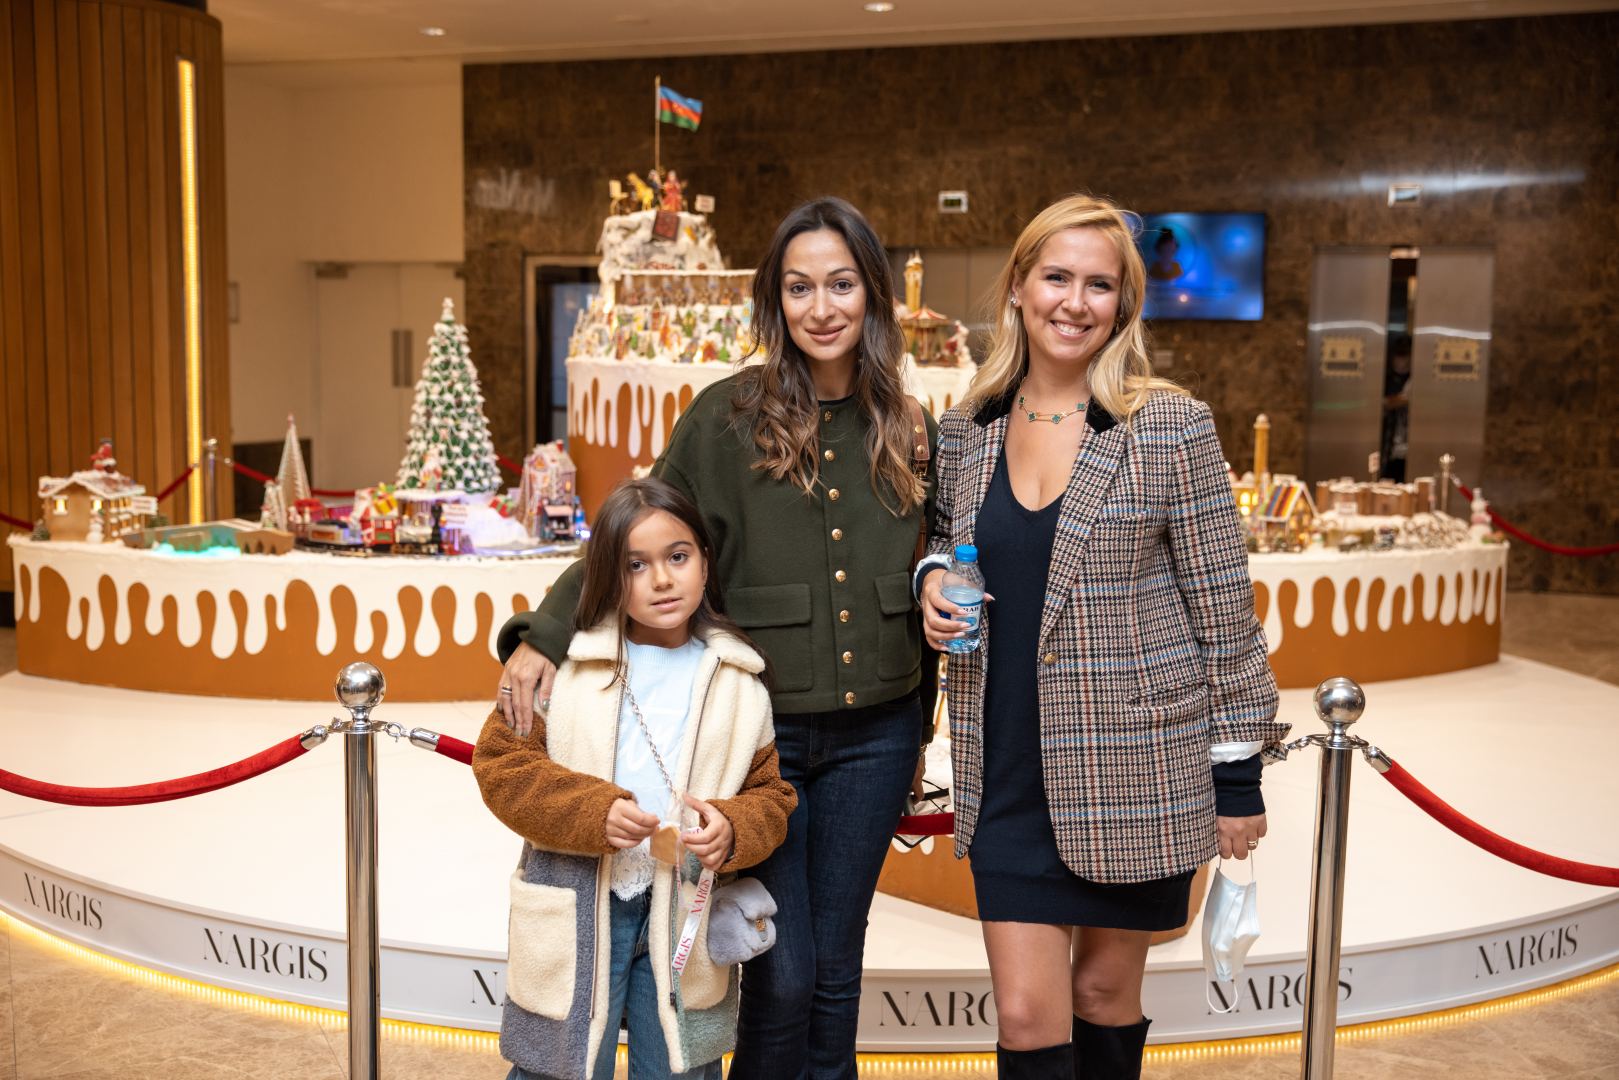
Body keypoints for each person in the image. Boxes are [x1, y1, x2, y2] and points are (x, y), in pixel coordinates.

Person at [494, 196, 938, 1080]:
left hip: (878, 734)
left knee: (835, 965)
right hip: (762, 735)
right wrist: (542, 632)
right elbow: (636, 529)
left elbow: (933, 565)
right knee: (783, 963)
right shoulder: (723, 415)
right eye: (800, 286)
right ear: (775, 300)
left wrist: (922, 726)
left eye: (842, 284)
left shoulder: (906, 421)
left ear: (872, 294)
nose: (822, 307)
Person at [916, 194, 1288, 1079]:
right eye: (1056, 278)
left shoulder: (1169, 425)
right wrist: (931, 579)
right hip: (1002, 763)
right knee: (1023, 1011)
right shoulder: (967, 429)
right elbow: (941, 538)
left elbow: (1222, 610)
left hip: (1137, 765)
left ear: (1123, 304)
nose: (1074, 302)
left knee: (1101, 1000)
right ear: (1017, 286)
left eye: (1099, 285)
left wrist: (1235, 781)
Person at [473, 477, 797, 1080]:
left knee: (680, 1067)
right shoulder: (560, 667)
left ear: (705, 561)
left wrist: (734, 827)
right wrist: (590, 811)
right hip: (577, 898)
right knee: (559, 1065)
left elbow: (770, 795)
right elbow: (502, 766)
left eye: (678, 557)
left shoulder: (739, 681)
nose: (663, 580)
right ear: (606, 577)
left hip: (682, 908)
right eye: (636, 565)